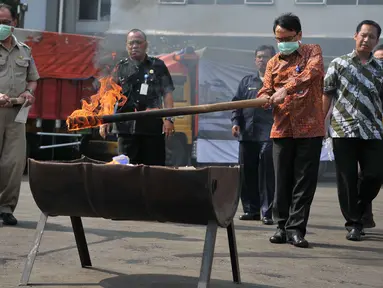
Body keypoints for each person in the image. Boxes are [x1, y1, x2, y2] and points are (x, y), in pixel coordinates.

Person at [257, 13, 325, 248]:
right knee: (281, 181)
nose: (282, 42)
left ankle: (296, 229)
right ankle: (281, 227)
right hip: (282, 129)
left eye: (287, 37)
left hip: (310, 129)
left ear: (299, 35)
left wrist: (286, 89)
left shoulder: (312, 51)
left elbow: (312, 73)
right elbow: (265, 89)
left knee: (303, 183)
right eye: (278, 38)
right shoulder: (273, 62)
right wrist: (265, 98)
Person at [323, 20, 383, 242]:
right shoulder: (338, 64)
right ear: (355, 36)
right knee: (346, 178)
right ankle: (355, 223)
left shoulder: (380, 69)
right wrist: (322, 122)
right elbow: (327, 94)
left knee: (375, 174)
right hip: (343, 129)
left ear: (377, 41)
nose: (366, 40)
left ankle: (358, 205)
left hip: (374, 131)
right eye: (363, 35)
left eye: (372, 37)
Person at [99, 29, 175, 166]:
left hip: (152, 129)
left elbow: (167, 93)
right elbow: (109, 95)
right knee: (126, 170)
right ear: (126, 46)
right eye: (131, 43)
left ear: (146, 45)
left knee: (154, 170)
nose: (134, 46)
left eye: (138, 43)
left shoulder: (158, 66)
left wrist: (169, 119)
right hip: (126, 130)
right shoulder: (120, 68)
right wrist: (105, 119)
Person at [0, 3, 39, 225]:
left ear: (14, 23)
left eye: (6, 22)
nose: (2, 26)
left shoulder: (24, 50)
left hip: (16, 114)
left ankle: (5, 208)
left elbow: (33, 79)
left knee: (13, 163)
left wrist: (28, 91)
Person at [231, 45, 276, 225]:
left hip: (269, 134)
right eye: (258, 57)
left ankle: (267, 212)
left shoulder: (278, 82)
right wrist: (235, 122)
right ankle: (251, 210)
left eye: (265, 57)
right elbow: (237, 103)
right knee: (246, 172)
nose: (261, 60)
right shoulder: (246, 81)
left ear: (273, 60)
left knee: (266, 174)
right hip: (247, 133)